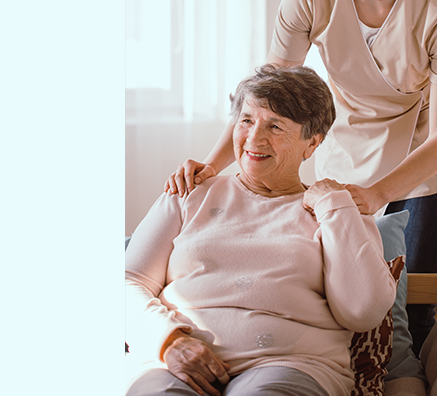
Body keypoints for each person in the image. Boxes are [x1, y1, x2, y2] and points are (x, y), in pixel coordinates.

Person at [165, 0, 437, 354]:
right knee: (339, 291)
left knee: (411, 312)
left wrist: (378, 195)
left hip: (425, 164)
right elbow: (266, 97)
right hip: (345, 154)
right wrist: (212, 164)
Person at [126, 64, 397, 396]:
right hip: (174, 363)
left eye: (275, 126)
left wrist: (334, 207)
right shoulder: (189, 192)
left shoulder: (337, 210)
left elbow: (362, 312)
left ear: (311, 143)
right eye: (246, 121)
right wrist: (168, 341)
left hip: (292, 365)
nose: (254, 138)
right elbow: (127, 283)